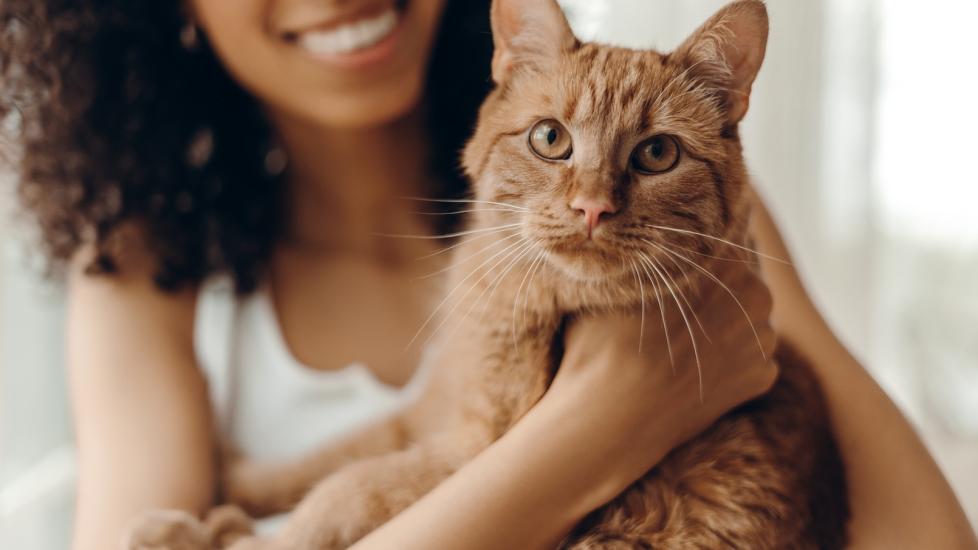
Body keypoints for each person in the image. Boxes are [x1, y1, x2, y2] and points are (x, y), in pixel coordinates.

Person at [0, 1, 973, 549]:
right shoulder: (143, 271)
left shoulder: (698, 225)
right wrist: (604, 419)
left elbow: (931, 540)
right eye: (552, 142)